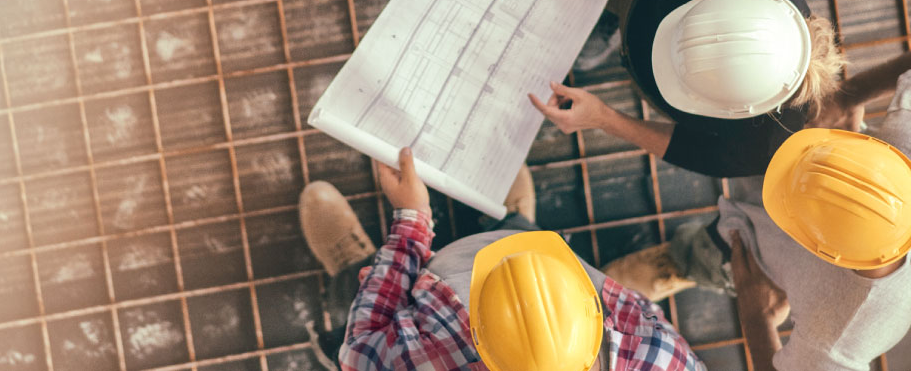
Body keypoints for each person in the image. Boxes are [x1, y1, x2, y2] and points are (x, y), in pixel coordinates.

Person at [605, 36, 911, 370]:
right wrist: (845, 96)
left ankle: (680, 262)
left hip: (754, 255)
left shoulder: (840, 334)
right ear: (880, 154)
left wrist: (757, 319)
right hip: (808, 156)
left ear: (816, 247)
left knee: (707, 254)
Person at [507, 0, 847, 179]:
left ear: (737, 110)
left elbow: (685, 147)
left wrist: (602, 118)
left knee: (587, 19)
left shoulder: (763, 146)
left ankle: (609, 25)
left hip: (640, 42)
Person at [300, 147, 706, 370]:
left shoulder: (406, 361)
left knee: (363, 293)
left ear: (478, 333)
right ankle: (518, 228)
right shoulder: (659, 356)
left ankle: (355, 267)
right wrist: (618, 293)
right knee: (528, 239)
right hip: (583, 287)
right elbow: (639, 310)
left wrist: (411, 222)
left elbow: (360, 349)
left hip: (432, 281)